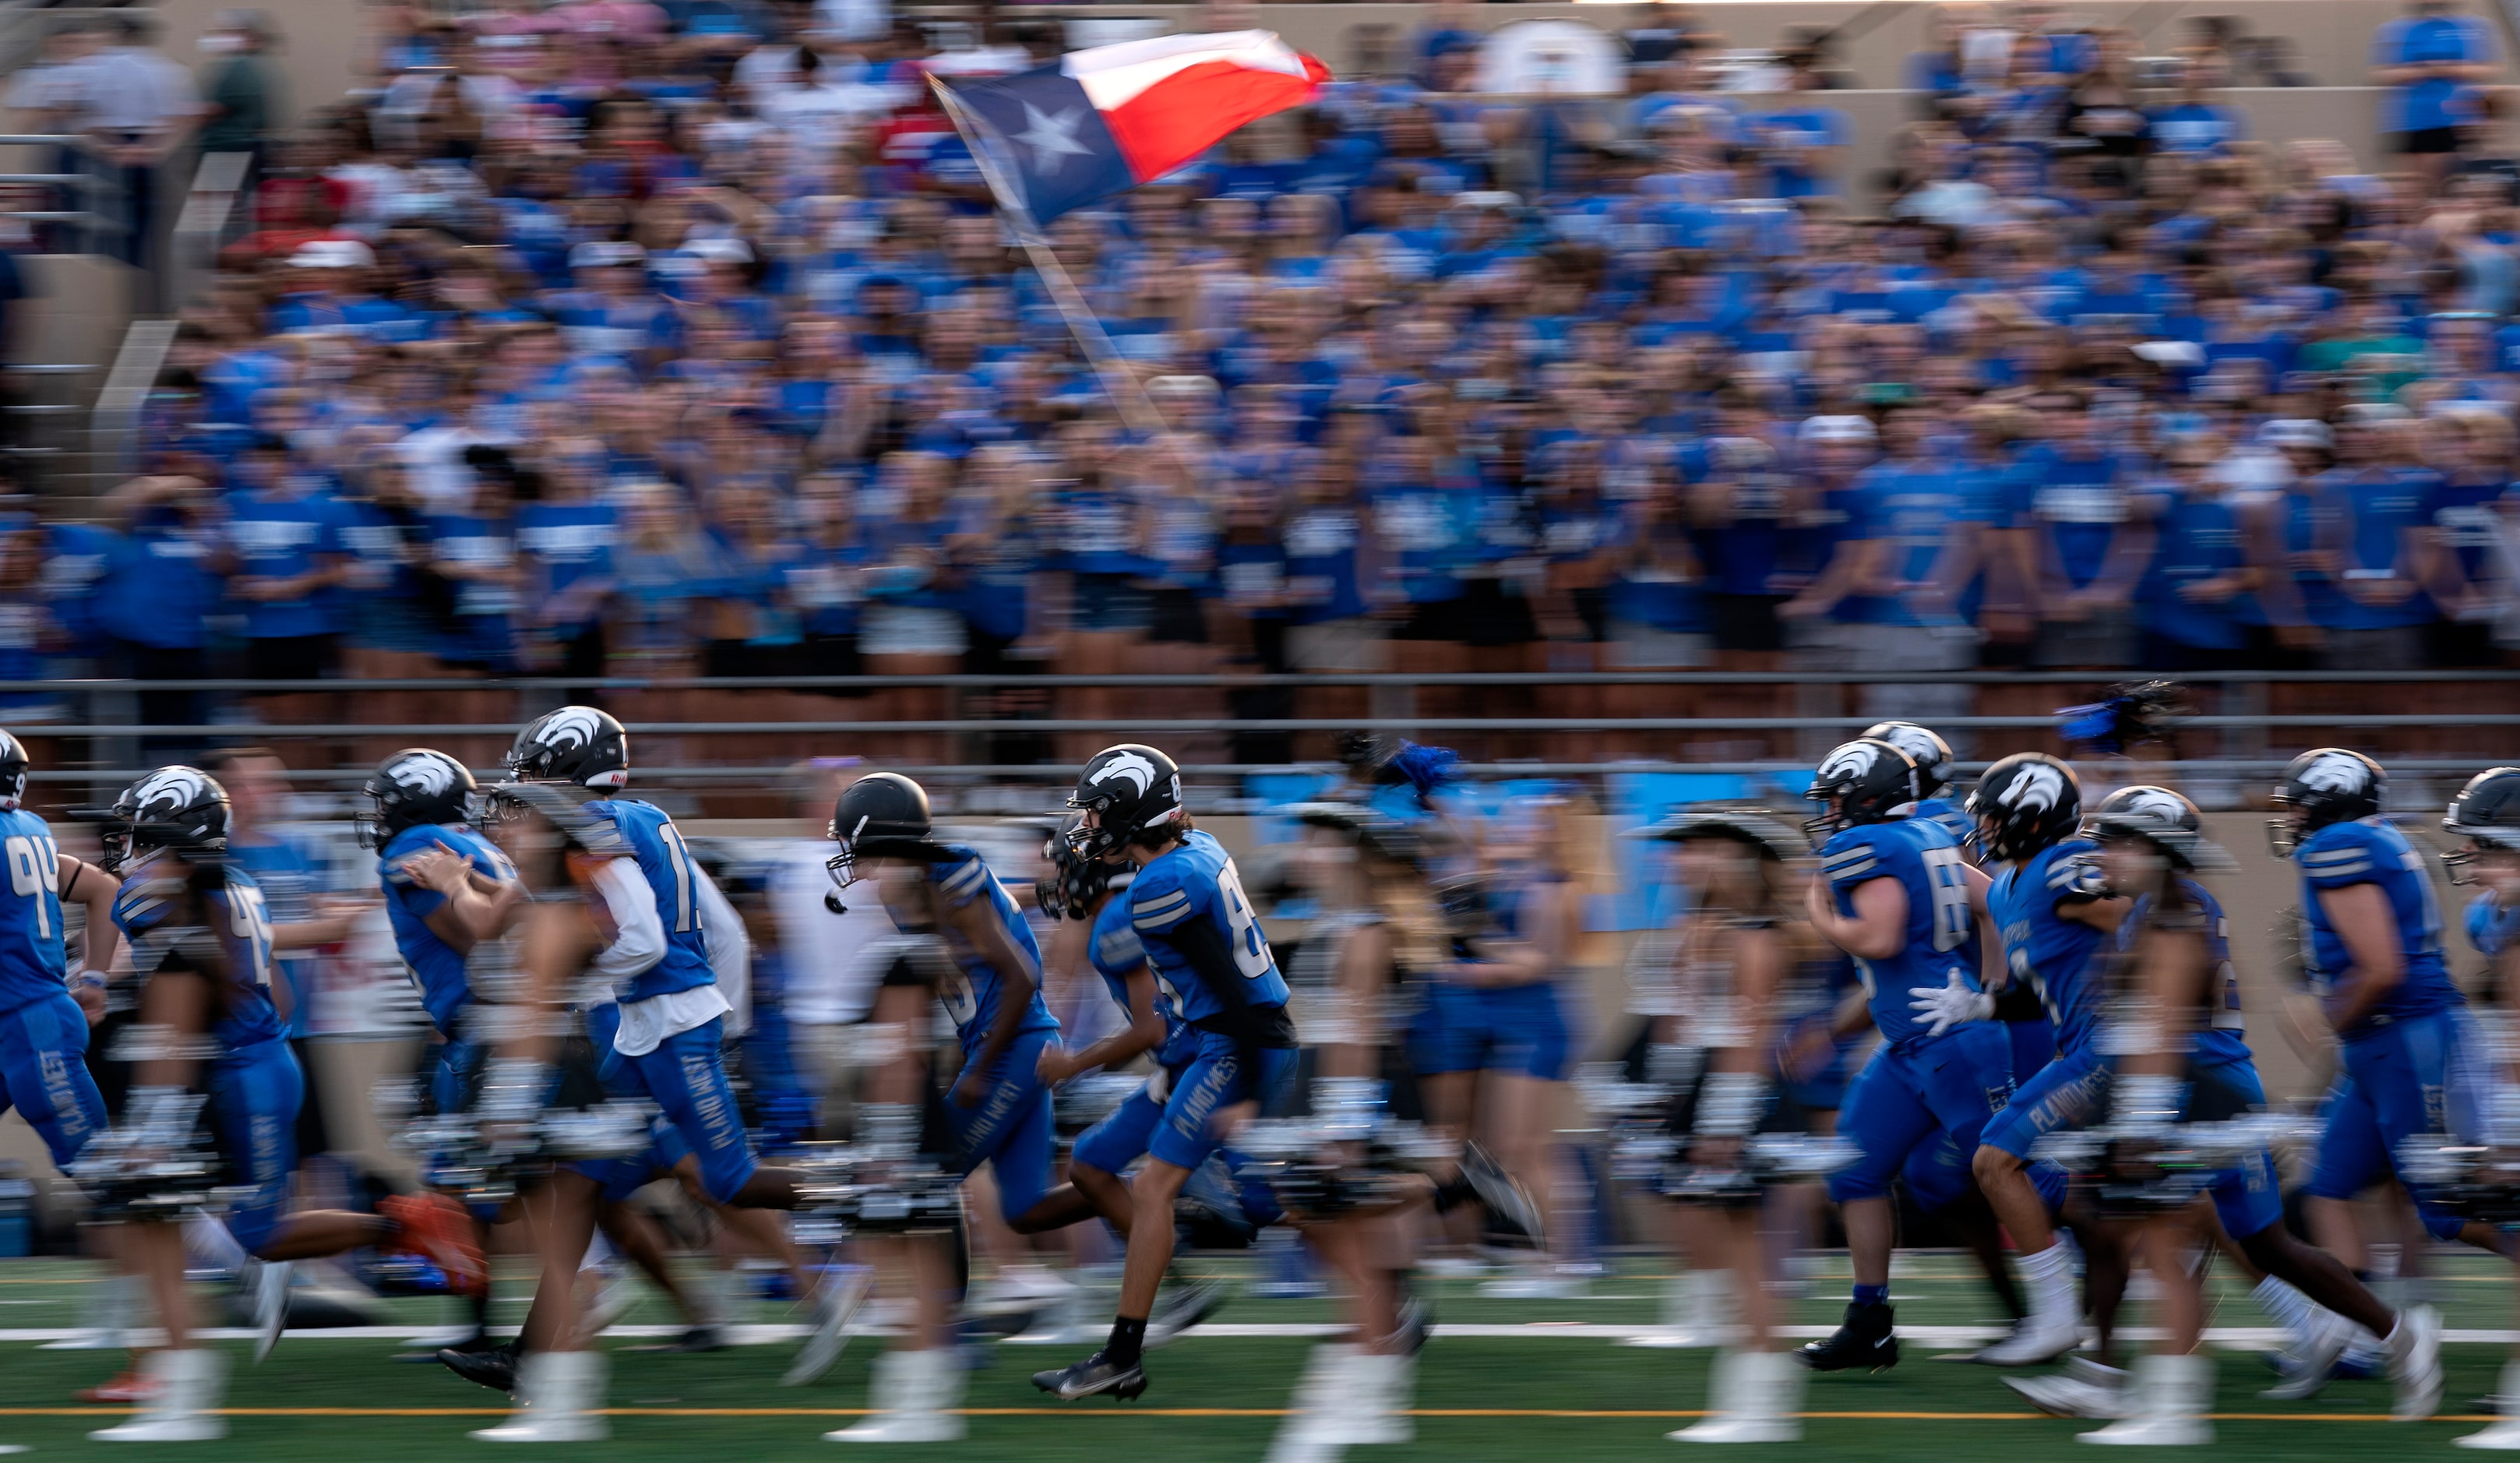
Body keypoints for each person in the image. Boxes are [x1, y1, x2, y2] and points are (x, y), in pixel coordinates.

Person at [84, 767, 482, 1441]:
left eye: (144, 834)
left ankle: (402, 1224)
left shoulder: (167, 899)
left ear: (176, 836)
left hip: (238, 1075)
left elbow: (176, 1010)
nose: (131, 848)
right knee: (202, 1222)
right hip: (255, 1061)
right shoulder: (231, 883)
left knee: (221, 1224)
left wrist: (159, 1113)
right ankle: (178, 1380)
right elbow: (269, 986)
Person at [1035, 744, 1301, 1401]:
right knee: (1094, 1159)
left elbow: (1233, 997)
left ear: (1131, 815)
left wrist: (1236, 1087)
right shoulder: (1192, 846)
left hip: (1234, 1044)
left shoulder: (1160, 888)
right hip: (1210, 1041)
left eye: (1097, 815)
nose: (1087, 829)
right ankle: (1171, 1288)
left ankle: (1121, 1355)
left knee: (1161, 1190)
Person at [1795, 736, 2019, 1373]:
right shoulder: (1925, 833)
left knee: (2022, 1179)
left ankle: (2073, 1301)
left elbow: (1879, 936)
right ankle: (1869, 1321)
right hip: (1911, 1043)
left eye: (1836, 799)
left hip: (1949, 1045)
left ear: (1868, 796)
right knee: (1854, 1170)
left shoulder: (1866, 846)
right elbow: (1994, 901)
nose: (1830, 813)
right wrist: (1988, 986)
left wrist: (1817, 912)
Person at [1637, 808, 1810, 1444]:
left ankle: (1761, 1406)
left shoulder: (1756, 938)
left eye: (1704, 850)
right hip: (1713, 1091)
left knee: (1749, 1259)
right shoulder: (1718, 930)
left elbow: (1751, 1038)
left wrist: (1722, 1125)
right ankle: (1751, 1399)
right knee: (1737, 1254)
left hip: (1740, 1099)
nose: (1683, 861)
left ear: (1741, 863)